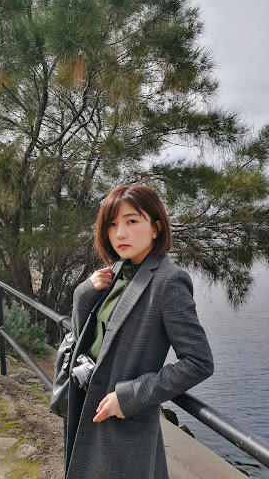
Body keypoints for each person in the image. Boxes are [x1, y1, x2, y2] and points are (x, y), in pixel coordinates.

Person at [64, 184, 214, 478]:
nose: (120, 233)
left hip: (122, 423)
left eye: (132, 221)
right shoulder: (118, 271)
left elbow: (199, 362)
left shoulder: (169, 282)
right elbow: (87, 340)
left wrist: (130, 396)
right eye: (112, 224)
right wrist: (84, 294)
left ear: (156, 228)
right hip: (86, 407)